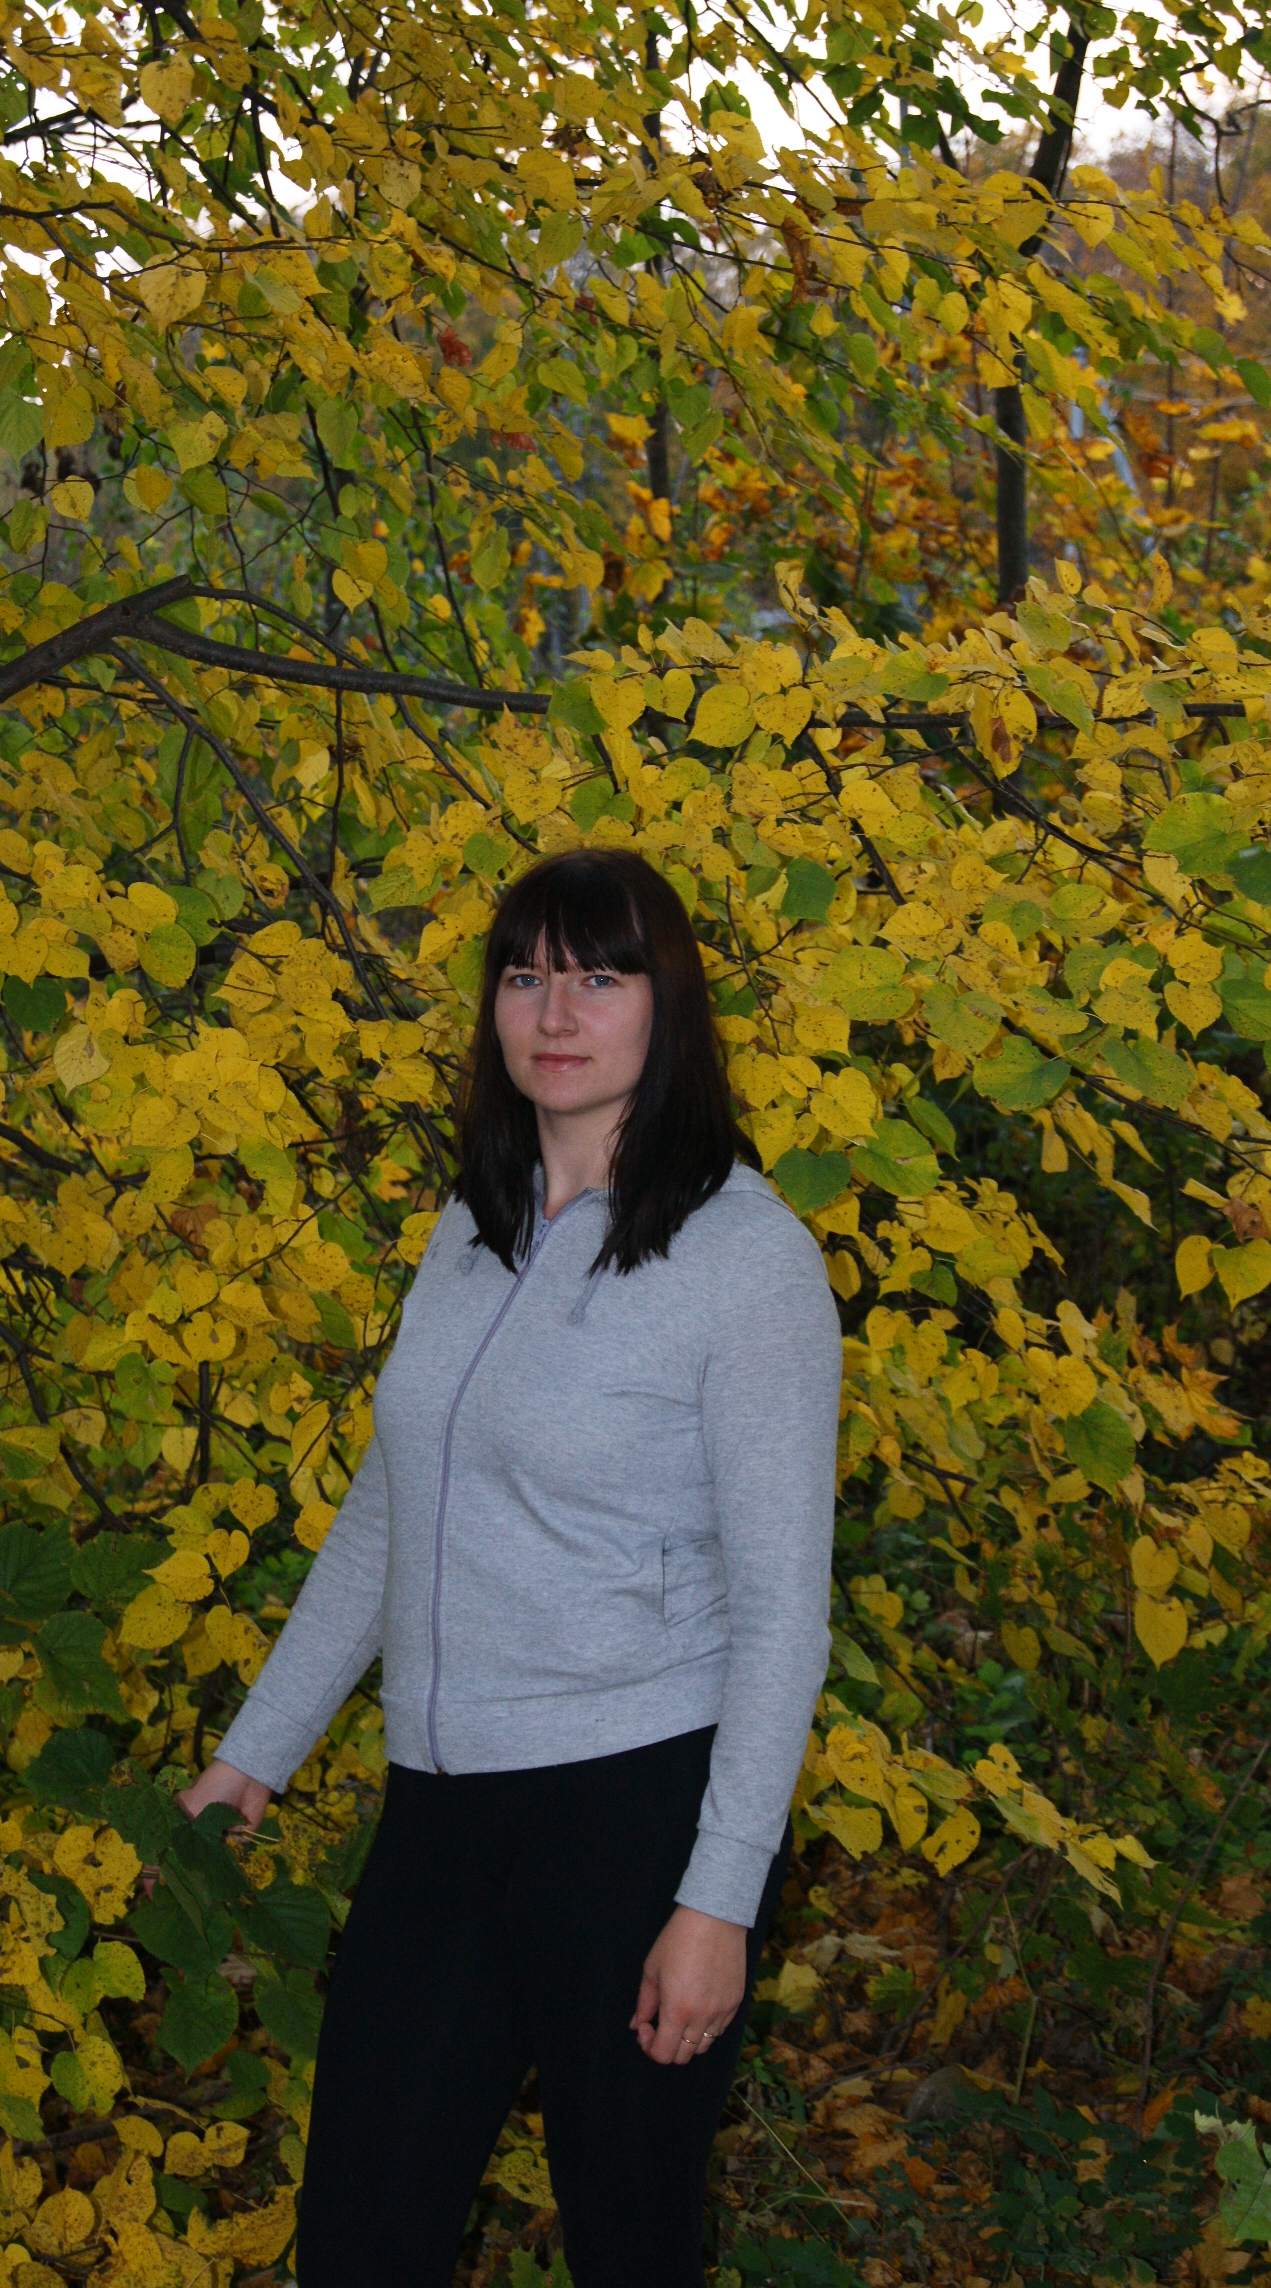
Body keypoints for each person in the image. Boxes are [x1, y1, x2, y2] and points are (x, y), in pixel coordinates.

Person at [180, 848, 841, 2287]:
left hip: (636, 1810)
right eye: (527, 975)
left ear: (666, 1006)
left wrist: (718, 1899)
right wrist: (255, 1752)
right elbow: (390, 1508)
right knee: (359, 2241)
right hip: (441, 1803)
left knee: (629, 2246)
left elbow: (786, 1613)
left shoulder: (746, 1261)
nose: (557, 1011)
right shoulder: (471, 1229)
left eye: (600, 976)